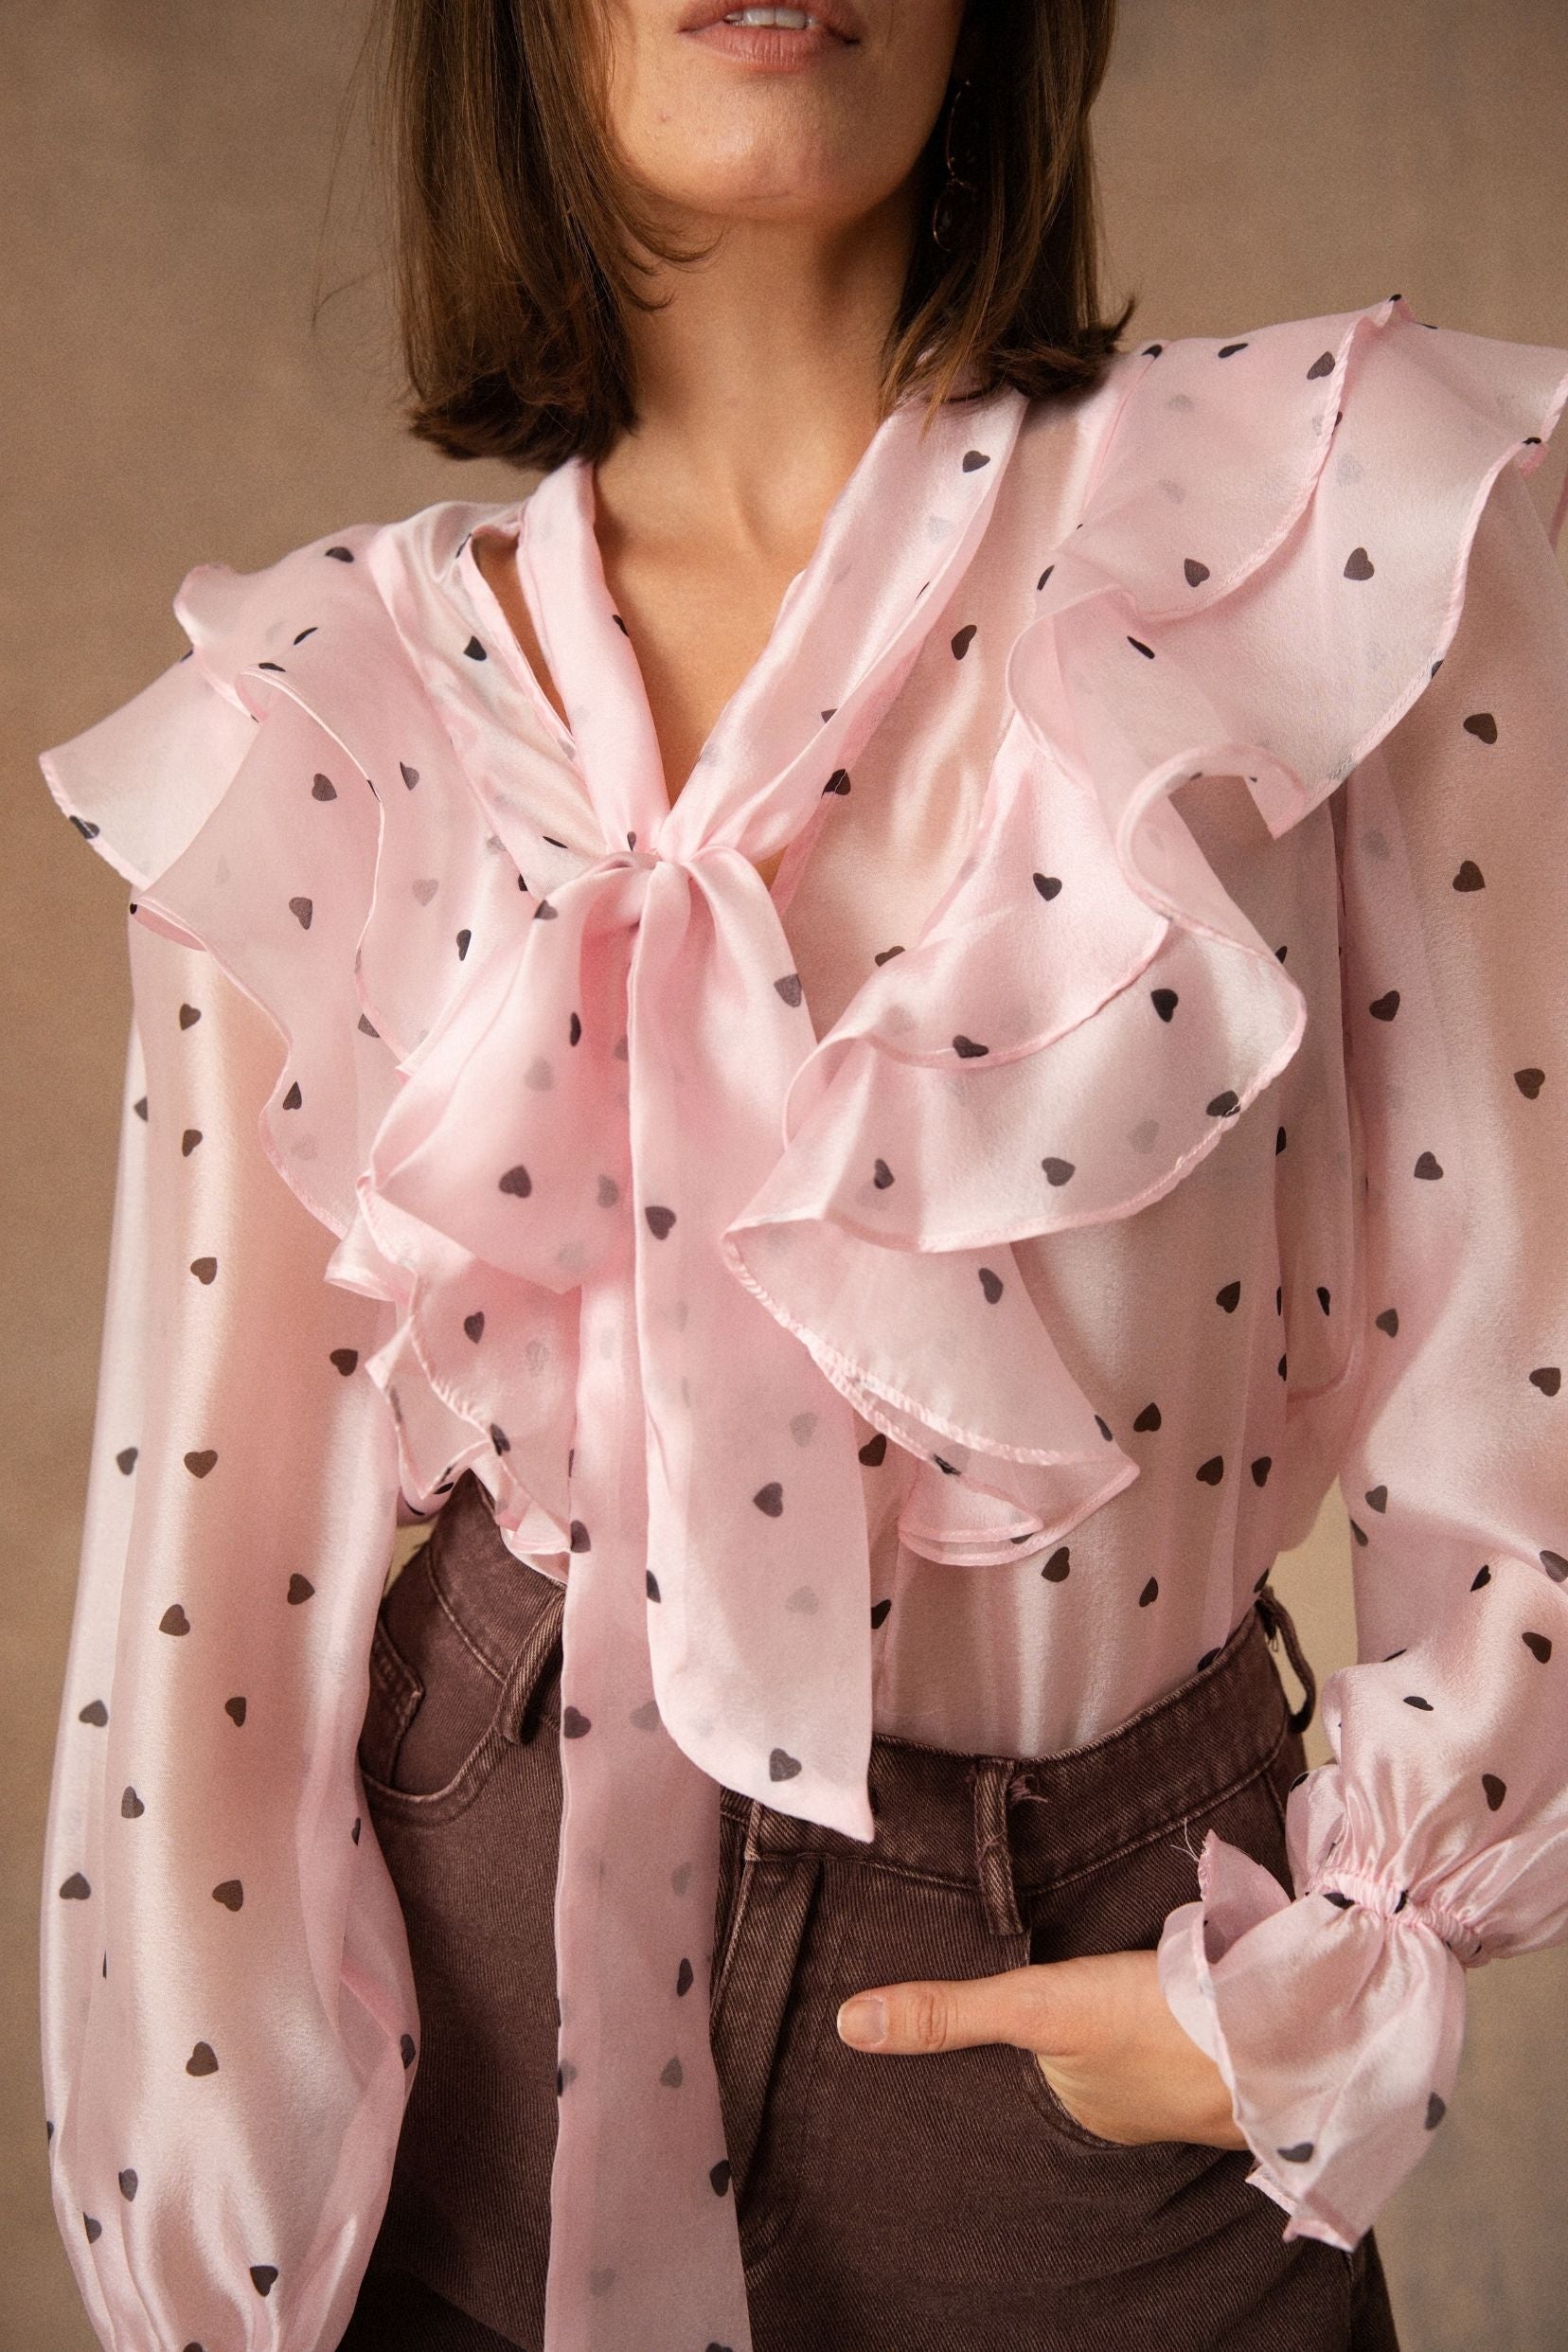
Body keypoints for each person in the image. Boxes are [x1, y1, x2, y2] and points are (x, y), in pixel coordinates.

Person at [35, 1, 1568, 2347]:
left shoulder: (1315, 526)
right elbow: (211, 1607)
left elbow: (1529, 1330)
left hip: (1091, 2016)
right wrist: (214, 2267)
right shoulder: (322, 710)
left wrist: (1341, 1966)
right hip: (477, 2035)